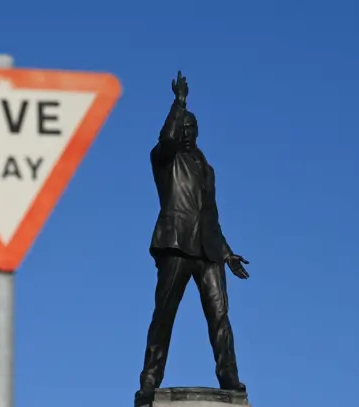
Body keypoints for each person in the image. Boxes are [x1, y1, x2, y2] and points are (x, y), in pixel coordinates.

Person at [138, 71, 250, 401]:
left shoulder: (207, 168)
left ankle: (229, 376)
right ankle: (150, 376)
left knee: (220, 316)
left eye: (190, 127)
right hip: (175, 244)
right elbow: (167, 137)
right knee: (164, 315)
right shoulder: (165, 158)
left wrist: (227, 252)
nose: (185, 132)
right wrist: (179, 102)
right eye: (182, 127)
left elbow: (210, 216)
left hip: (208, 250)